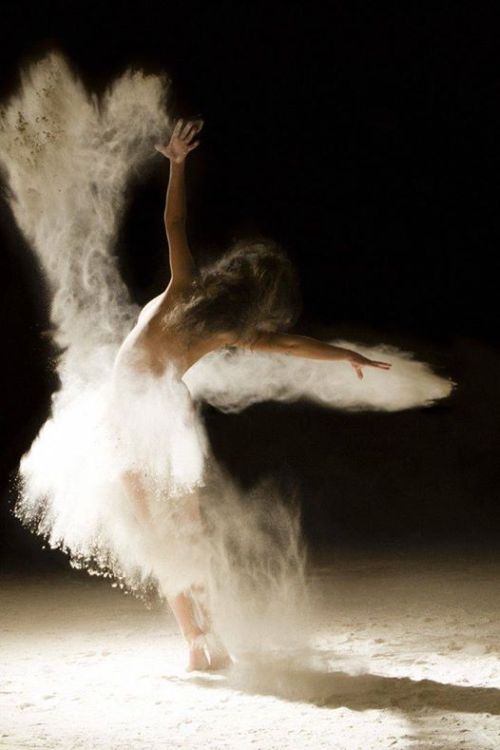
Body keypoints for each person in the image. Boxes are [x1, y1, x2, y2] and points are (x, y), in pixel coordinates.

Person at [109, 116, 392, 671]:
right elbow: (291, 343)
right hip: (151, 413)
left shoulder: (190, 291)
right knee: (178, 531)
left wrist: (176, 164)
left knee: (174, 534)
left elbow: (175, 223)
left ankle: (199, 639)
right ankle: (200, 640)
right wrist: (344, 354)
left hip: (145, 412)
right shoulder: (218, 319)